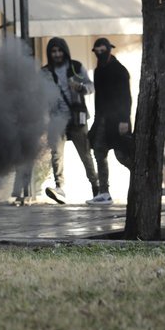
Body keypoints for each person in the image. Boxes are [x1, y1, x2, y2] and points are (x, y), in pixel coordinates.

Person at [42, 37, 99, 204]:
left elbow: (91, 87)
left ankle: (96, 187)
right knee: (56, 154)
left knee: (86, 155)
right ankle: (59, 187)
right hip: (56, 118)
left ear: (65, 51)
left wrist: (80, 87)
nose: (57, 54)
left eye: (59, 50)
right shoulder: (44, 72)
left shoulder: (76, 67)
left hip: (77, 118)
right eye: (53, 51)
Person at [87, 38, 133, 205]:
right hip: (102, 119)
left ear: (109, 50)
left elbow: (126, 97)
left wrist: (124, 119)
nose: (100, 53)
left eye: (102, 50)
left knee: (123, 155)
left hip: (118, 120)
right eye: (97, 51)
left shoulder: (119, 70)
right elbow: (99, 98)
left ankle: (140, 181)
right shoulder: (98, 71)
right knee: (99, 151)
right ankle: (104, 192)